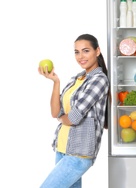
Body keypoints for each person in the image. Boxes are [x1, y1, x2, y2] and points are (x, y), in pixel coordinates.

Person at [38, 34, 110, 188]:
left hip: (80, 152)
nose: (80, 56)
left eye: (85, 51)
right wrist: (56, 81)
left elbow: (74, 117)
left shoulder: (99, 79)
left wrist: (62, 118)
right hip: (62, 149)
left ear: (97, 51)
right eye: (76, 52)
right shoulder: (76, 79)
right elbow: (55, 112)